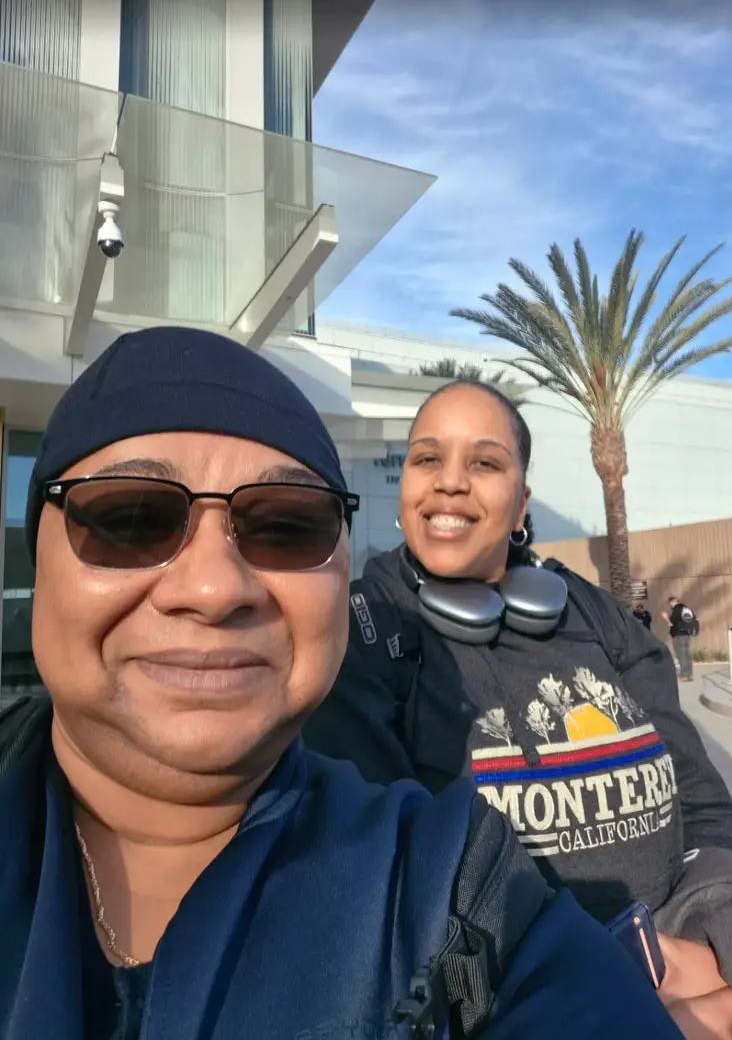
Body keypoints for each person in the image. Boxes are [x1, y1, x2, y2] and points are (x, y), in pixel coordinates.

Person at [0, 327, 690, 1040]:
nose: (212, 586)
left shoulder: (458, 882)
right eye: (130, 518)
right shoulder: (380, 648)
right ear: (37, 562)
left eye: (287, 525)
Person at [304, 377, 732, 1040]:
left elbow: (710, 811)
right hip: (526, 995)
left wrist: (726, 949)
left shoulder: (603, 621)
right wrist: (626, 985)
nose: (450, 481)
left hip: (697, 947)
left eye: (484, 462)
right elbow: (389, 886)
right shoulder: (363, 637)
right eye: (427, 457)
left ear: (521, 504)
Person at [663, 596, 698, 682]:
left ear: (672, 602)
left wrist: (666, 617)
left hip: (678, 636)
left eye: (670, 604)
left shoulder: (677, 610)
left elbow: (671, 624)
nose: (670, 605)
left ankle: (684, 675)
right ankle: (690, 675)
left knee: (681, 656)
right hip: (686, 635)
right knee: (687, 655)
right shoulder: (687, 609)